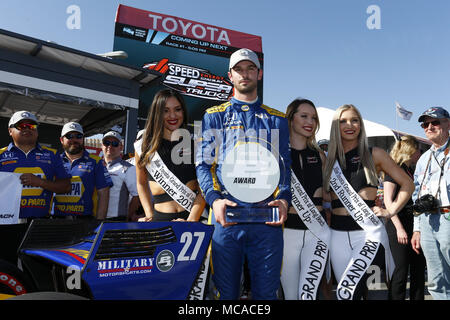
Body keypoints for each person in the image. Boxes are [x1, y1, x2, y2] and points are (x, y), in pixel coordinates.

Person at [196, 48, 291, 300]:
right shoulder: (213, 116)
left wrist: (284, 198)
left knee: (266, 295)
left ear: (259, 74)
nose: (245, 74)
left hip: (266, 218)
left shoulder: (277, 119)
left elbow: (284, 165)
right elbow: (203, 164)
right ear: (230, 75)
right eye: (239, 69)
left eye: (250, 69)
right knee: (225, 294)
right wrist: (214, 200)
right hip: (227, 215)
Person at [322, 104, 414, 300]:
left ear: (361, 125)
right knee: (351, 293)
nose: (350, 125)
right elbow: (326, 196)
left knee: (346, 291)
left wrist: (391, 210)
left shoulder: (375, 154)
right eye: (343, 121)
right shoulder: (329, 159)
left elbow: (407, 184)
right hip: (336, 235)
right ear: (335, 126)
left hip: (367, 234)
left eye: (354, 120)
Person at [0, 111, 71, 264]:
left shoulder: (52, 155)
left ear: (37, 131)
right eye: (21, 125)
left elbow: (66, 187)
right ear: (10, 131)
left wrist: (40, 182)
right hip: (6, 225)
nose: (27, 128)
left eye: (31, 125)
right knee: (7, 268)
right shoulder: (0, 155)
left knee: (37, 269)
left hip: (38, 224)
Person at [281, 98, 331, 300]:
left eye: (313, 118)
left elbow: (328, 194)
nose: (310, 121)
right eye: (304, 116)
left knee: (308, 294)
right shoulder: (276, 154)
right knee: (291, 295)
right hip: (286, 233)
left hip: (316, 233)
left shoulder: (320, 156)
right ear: (291, 118)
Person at [134, 89, 205, 222]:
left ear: (183, 111)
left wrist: (190, 221)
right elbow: (141, 183)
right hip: (159, 221)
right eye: (165, 111)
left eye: (177, 109)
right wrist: (149, 214)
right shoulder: (144, 147)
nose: (172, 115)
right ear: (157, 113)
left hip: (191, 221)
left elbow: (204, 189)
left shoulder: (195, 146)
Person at [411, 106, 450, 300]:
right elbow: (416, 194)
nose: (429, 127)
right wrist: (417, 229)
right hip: (427, 221)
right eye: (425, 124)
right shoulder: (423, 158)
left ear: (448, 123)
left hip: (448, 217)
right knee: (436, 279)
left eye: (435, 122)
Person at [384, 135, 426, 300]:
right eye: (419, 150)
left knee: (418, 270)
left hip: (414, 225)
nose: (420, 153)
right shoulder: (394, 170)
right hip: (397, 225)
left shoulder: (411, 170)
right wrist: (400, 228)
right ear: (411, 150)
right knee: (400, 272)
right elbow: (388, 202)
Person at [53, 122, 112, 220]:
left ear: (83, 139)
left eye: (78, 136)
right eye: (69, 136)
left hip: (84, 220)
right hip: (56, 219)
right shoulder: (54, 161)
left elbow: (104, 193)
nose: (74, 140)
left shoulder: (96, 162)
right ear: (61, 140)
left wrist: (99, 222)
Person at [101, 130, 140, 221]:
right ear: (102, 145)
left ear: (121, 147)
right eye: (106, 143)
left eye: (114, 143)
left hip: (115, 220)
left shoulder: (129, 168)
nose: (110, 146)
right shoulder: (96, 166)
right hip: (95, 218)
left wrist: (126, 218)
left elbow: (136, 197)